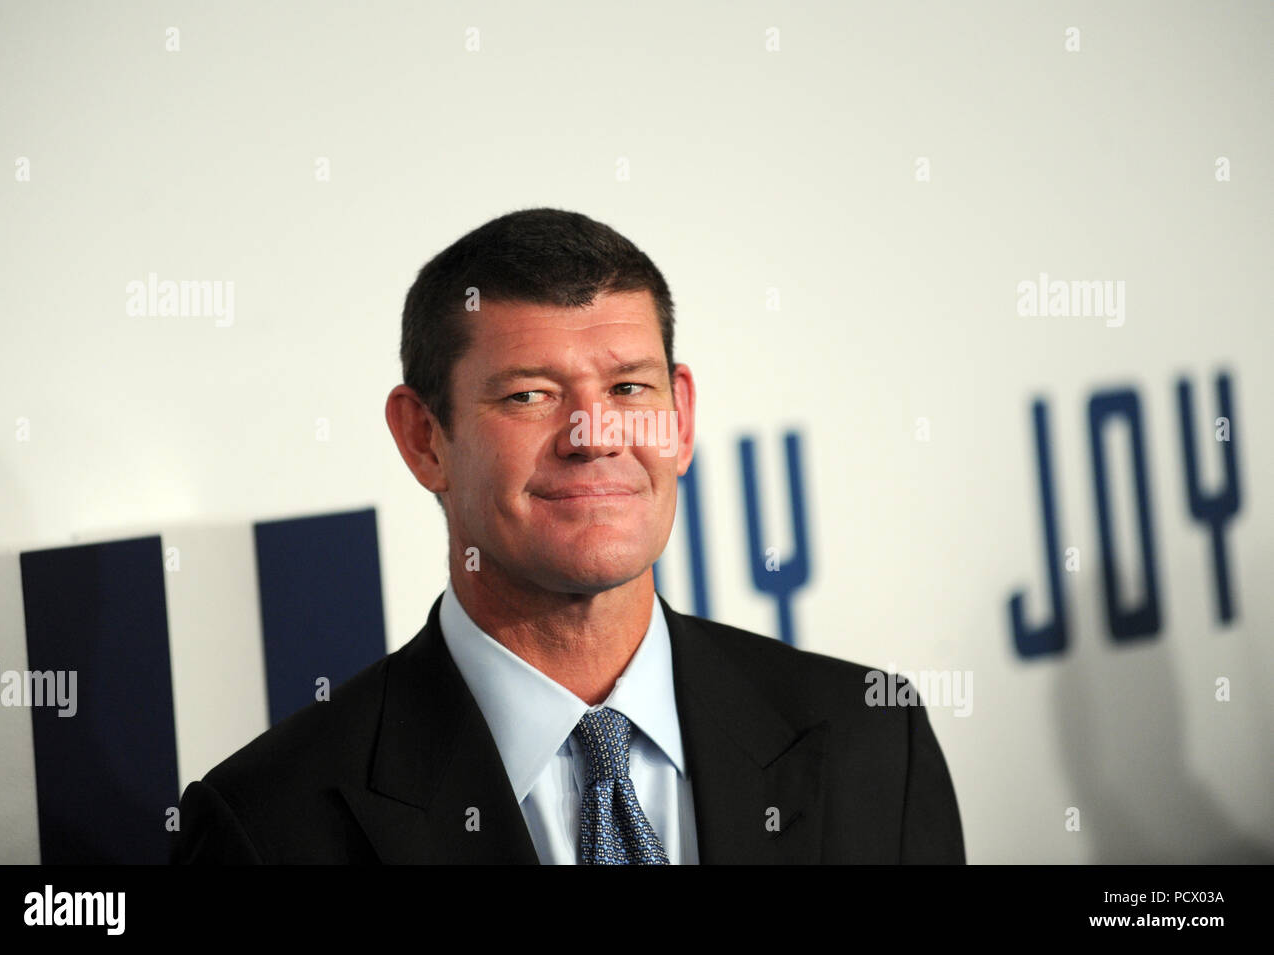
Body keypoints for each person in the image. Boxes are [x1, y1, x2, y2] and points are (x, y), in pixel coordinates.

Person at [171, 207, 966, 864]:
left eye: (628, 387)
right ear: (424, 438)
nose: (593, 433)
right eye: (529, 395)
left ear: (680, 419)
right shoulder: (266, 828)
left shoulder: (872, 739)